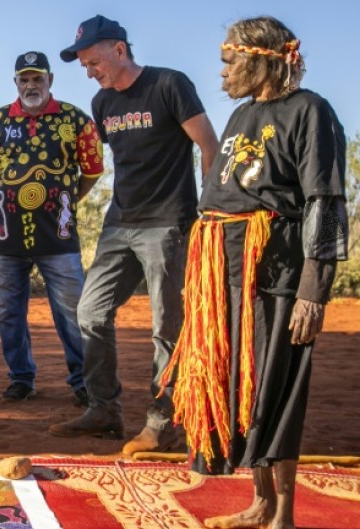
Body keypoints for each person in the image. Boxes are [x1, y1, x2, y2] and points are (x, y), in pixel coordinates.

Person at [162, 17, 347, 529]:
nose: (221, 74)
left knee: (275, 384)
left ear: (261, 58)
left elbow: (325, 203)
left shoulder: (310, 111)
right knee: (238, 383)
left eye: (228, 62)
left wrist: (314, 289)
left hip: (275, 269)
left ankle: (282, 514)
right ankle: (259, 502)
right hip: (221, 267)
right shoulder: (242, 114)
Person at [48, 15, 220, 455]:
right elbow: (121, 162)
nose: (89, 71)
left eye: (92, 61)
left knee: (167, 326)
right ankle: (104, 409)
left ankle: (163, 424)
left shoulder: (169, 85)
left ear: (119, 50)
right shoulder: (102, 103)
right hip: (119, 224)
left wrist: (209, 210)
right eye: (84, 65)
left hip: (168, 223)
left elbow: (207, 145)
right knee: (90, 312)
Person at [0, 51, 103, 407]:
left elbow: (92, 170)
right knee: (9, 312)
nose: (31, 85)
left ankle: (83, 382)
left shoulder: (75, 120)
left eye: (38, 79)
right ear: (15, 82)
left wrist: (63, 200)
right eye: (24, 79)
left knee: (72, 310)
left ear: (50, 80)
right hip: (5, 238)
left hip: (58, 237)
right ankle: (21, 378)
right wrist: (13, 203)